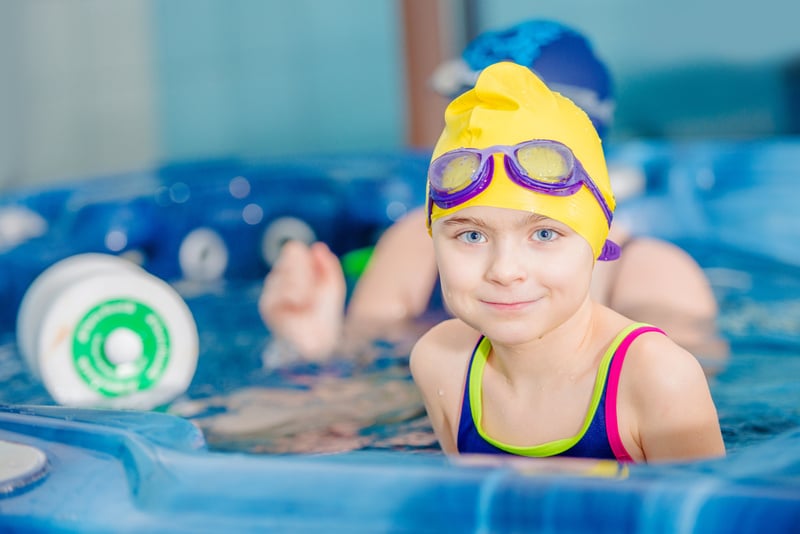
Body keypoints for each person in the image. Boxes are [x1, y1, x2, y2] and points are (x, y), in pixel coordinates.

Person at [259, 20, 726, 368]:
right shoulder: (415, 244)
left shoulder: (654, 276)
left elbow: (667, 428)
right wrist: (308, 347)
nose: (470, 141)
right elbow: (353, 401)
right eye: (460, 119)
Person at [409, 61, 725, 462]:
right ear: (434, 241)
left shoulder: (656, 377)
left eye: (544, 234)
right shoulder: (440, 361)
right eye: (472, 235)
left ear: (596, 240)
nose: (505, 271)